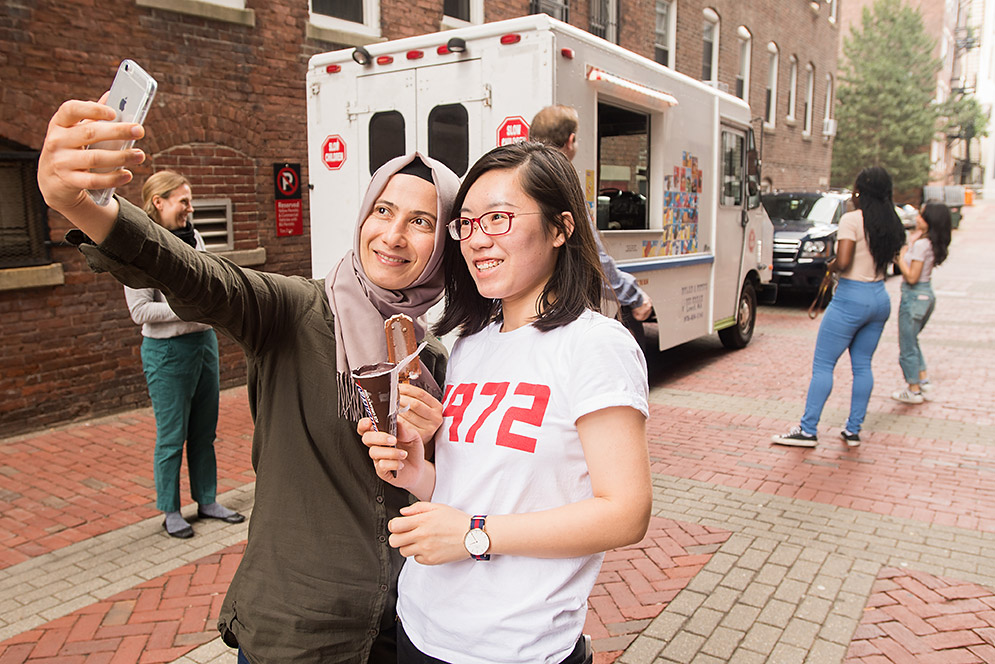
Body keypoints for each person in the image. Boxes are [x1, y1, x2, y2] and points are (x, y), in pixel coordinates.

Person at [38, 97, 460, 663]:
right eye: (382, 211)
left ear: (445, 245)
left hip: (406, 627)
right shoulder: (295, 313)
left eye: (421, 221)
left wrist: (434, 453)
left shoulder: (431, 356)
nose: (393, 235)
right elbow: (199, 276)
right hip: (298, 631)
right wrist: (87, 206)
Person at [361, 141, 652, 664]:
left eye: (498, 218)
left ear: (561, 228)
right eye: (466, 223)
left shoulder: (595, 346)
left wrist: (475, 537)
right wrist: (416, 472)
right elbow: (473, 489)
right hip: (422, 627)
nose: (476, 239)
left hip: (515, 647)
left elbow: (626, 513)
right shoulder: (471, 344)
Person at [124, 170, 244, 538]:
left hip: (203, 346)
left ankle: (206, 500)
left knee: (205, 431)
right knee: (172, 435)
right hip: (166, 352)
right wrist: (191, 310)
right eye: (183, 202)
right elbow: (140, 311)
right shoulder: (140, 249)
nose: (190, 209)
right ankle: (171, 510)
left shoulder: (194, 239)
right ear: (158, 202)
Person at [772, 166, 905, 448]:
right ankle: (853, 430)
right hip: (879, 298)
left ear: (860, 191)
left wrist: (830, 266)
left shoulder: (852, 219)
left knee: (823, 364)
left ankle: (808, 430)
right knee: (863, 366)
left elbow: (843, 260)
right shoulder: (891, 222)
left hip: (851, 297)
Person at [529, 105, 653, 349]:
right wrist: (634, 296)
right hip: (555, 310)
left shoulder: (518, 178)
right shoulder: (565, 184)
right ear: (571, 140)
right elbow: (594, 259)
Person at [891, 201, 951, 404]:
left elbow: (911, 277)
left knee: (907, 345)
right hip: (926, 296)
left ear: (930, 221)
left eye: (922, 216)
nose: (917, 218)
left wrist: (899, 258)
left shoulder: (922, 245)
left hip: (913, 296)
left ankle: (913, 389)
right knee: (913, 340)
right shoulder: (931, 242)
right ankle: (923, 380)